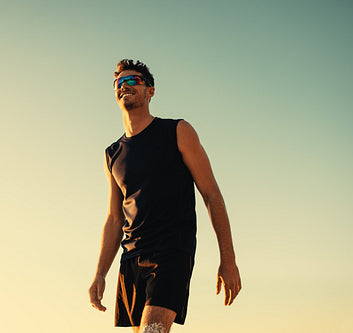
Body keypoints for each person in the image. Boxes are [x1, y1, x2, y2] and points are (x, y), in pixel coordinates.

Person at [88, 59, 241, 333]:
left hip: (171, 251)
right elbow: (114, 219)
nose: (126, 86)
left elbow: (211, 194)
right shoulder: (112, 154)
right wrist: (100, 273)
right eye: (120, 83)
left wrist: (228, 260)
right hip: (131, 258)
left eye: (134, 80)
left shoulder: (178, 131)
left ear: (151, 91)